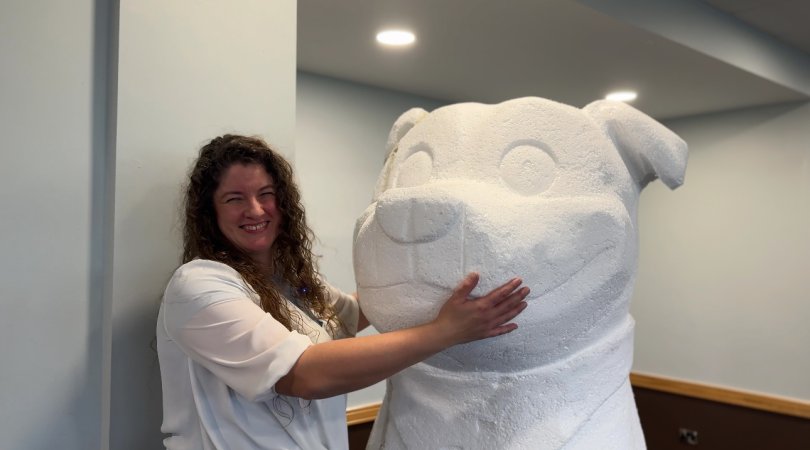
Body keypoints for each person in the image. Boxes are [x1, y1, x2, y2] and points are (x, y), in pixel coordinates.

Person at [156, 134, 530, 449]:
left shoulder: (293, 282)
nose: (255, 210)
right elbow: (304, 375)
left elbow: (356, 310)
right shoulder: (199, 286)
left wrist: (433, 268)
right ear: (210, 212)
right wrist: (446, 331)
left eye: (266, 194)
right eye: (234, 198)